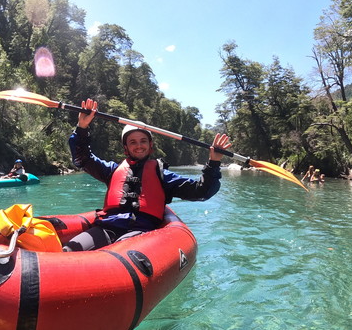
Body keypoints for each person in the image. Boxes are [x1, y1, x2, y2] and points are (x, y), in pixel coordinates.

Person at [63, 98, 231, 252]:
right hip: (106, 228)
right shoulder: (112, 170)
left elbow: (201, 191)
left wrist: (214, 162)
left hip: (140, 231)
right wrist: (82, 127)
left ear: (150, 146)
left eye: (143, 141)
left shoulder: (163, 176)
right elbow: (82, 159)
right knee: (68, 251)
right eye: (133, 142)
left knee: (117, 251)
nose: (139, 146)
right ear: (126, 148)